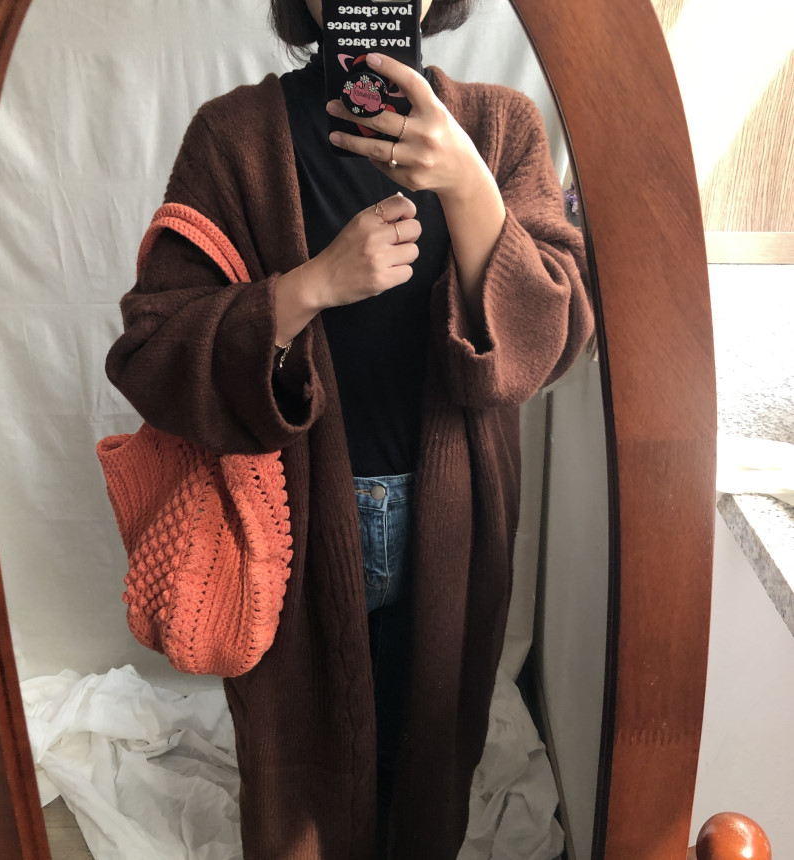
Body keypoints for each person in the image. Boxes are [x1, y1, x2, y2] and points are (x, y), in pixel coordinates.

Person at [105, 1, 594, 857]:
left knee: (431, 747)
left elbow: (551, 340)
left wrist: (468, 186)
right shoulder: (233, 138)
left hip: (457, 518)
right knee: (297, 765)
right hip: (286, 523)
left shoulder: (500, 127)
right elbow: (152, 351)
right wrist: (308, 289)